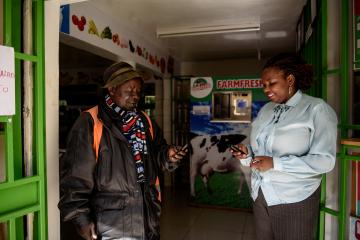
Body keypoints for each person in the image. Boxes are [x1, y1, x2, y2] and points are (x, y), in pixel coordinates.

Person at [58, 61, 187, 240]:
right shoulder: (89, 123)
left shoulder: (144, 121)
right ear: (112, 89)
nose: (135, 96)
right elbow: (75, 179)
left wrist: (167, 156)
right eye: (129, 90)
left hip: (146, 217)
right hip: (111, 224)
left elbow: (156, 154)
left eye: (138, 91)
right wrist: (81, 220)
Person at [231, 53, 338, 240]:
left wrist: (276, 163)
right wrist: (246, 154)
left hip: (294, 198)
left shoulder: (316, 109)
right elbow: (256, 150)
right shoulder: (266, 110)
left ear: (290, 79)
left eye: (271, 83)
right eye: (263, 85)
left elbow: (325, 161)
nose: (266, 90)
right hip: (261, 194)